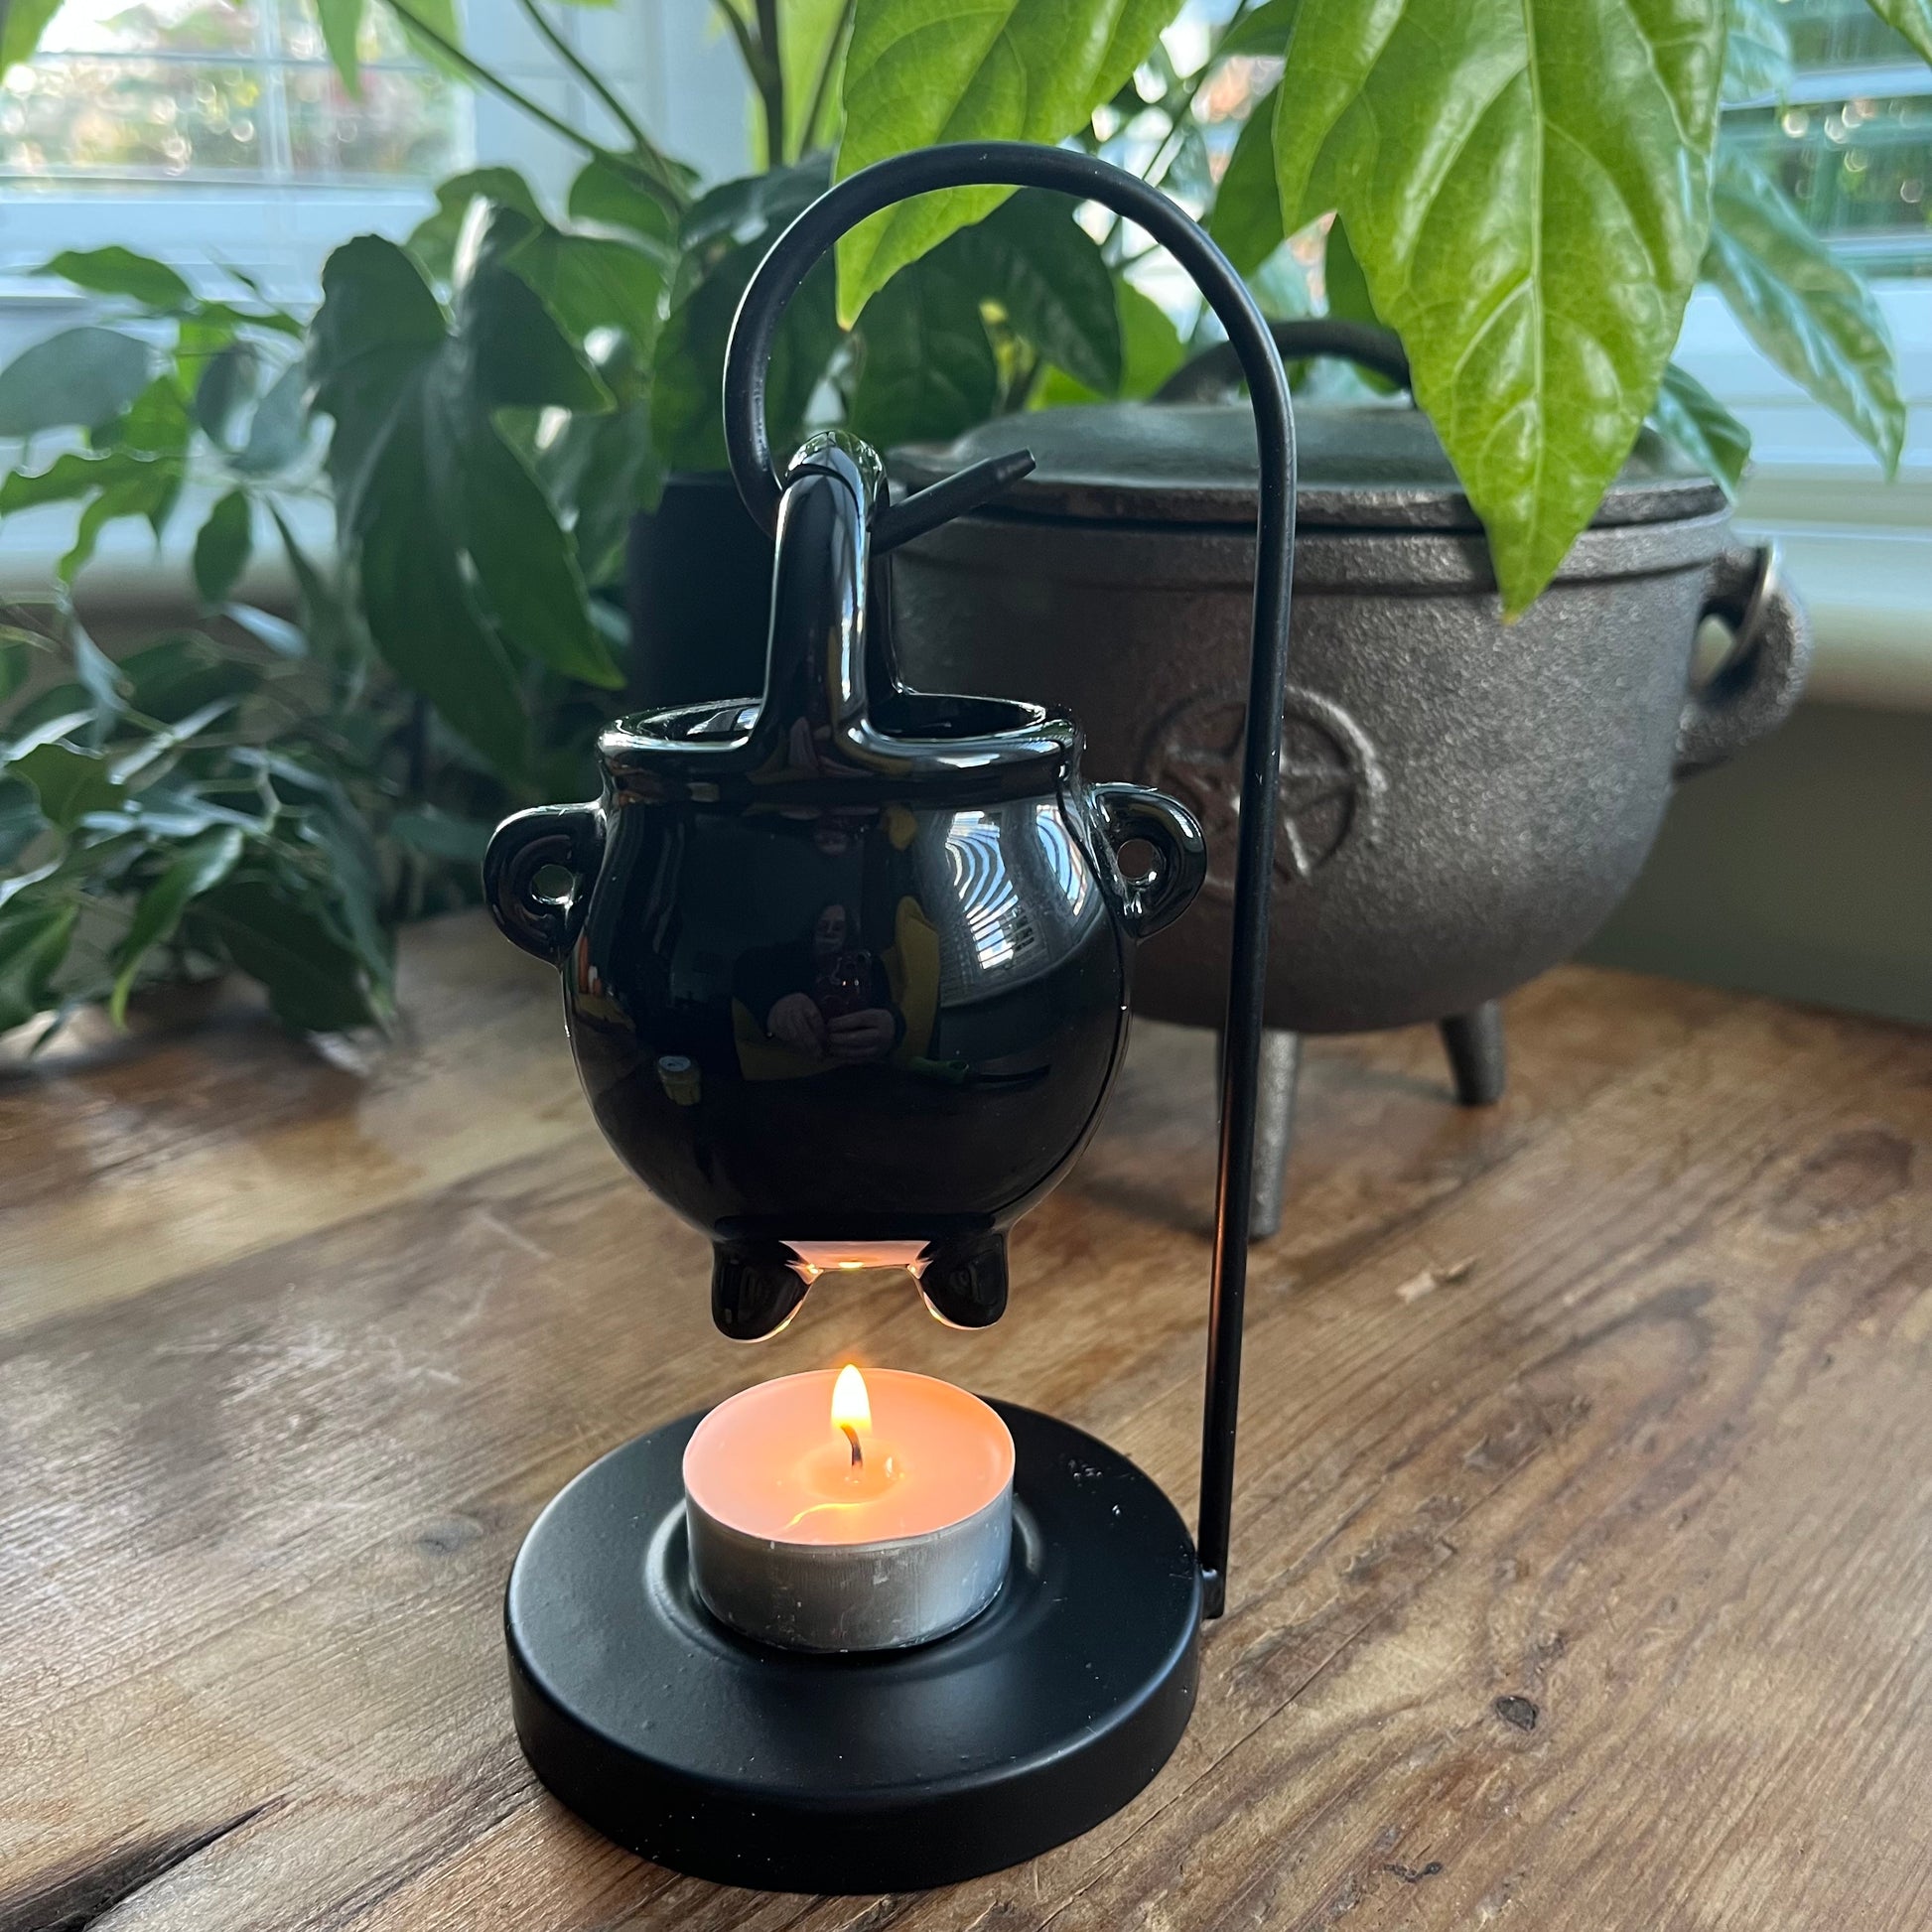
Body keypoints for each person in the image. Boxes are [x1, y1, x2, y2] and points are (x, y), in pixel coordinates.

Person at [734, 903, 900, 1065]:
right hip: (788, 1072)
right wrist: (776, 1004)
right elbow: (746, 965)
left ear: (848, 934)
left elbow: (888, 1009)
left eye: (837, 928)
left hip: (851, 1074)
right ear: (813, 931)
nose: (828, 932)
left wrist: (893, 1027)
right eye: (823, 927)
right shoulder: (790, 958)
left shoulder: (869, 966)